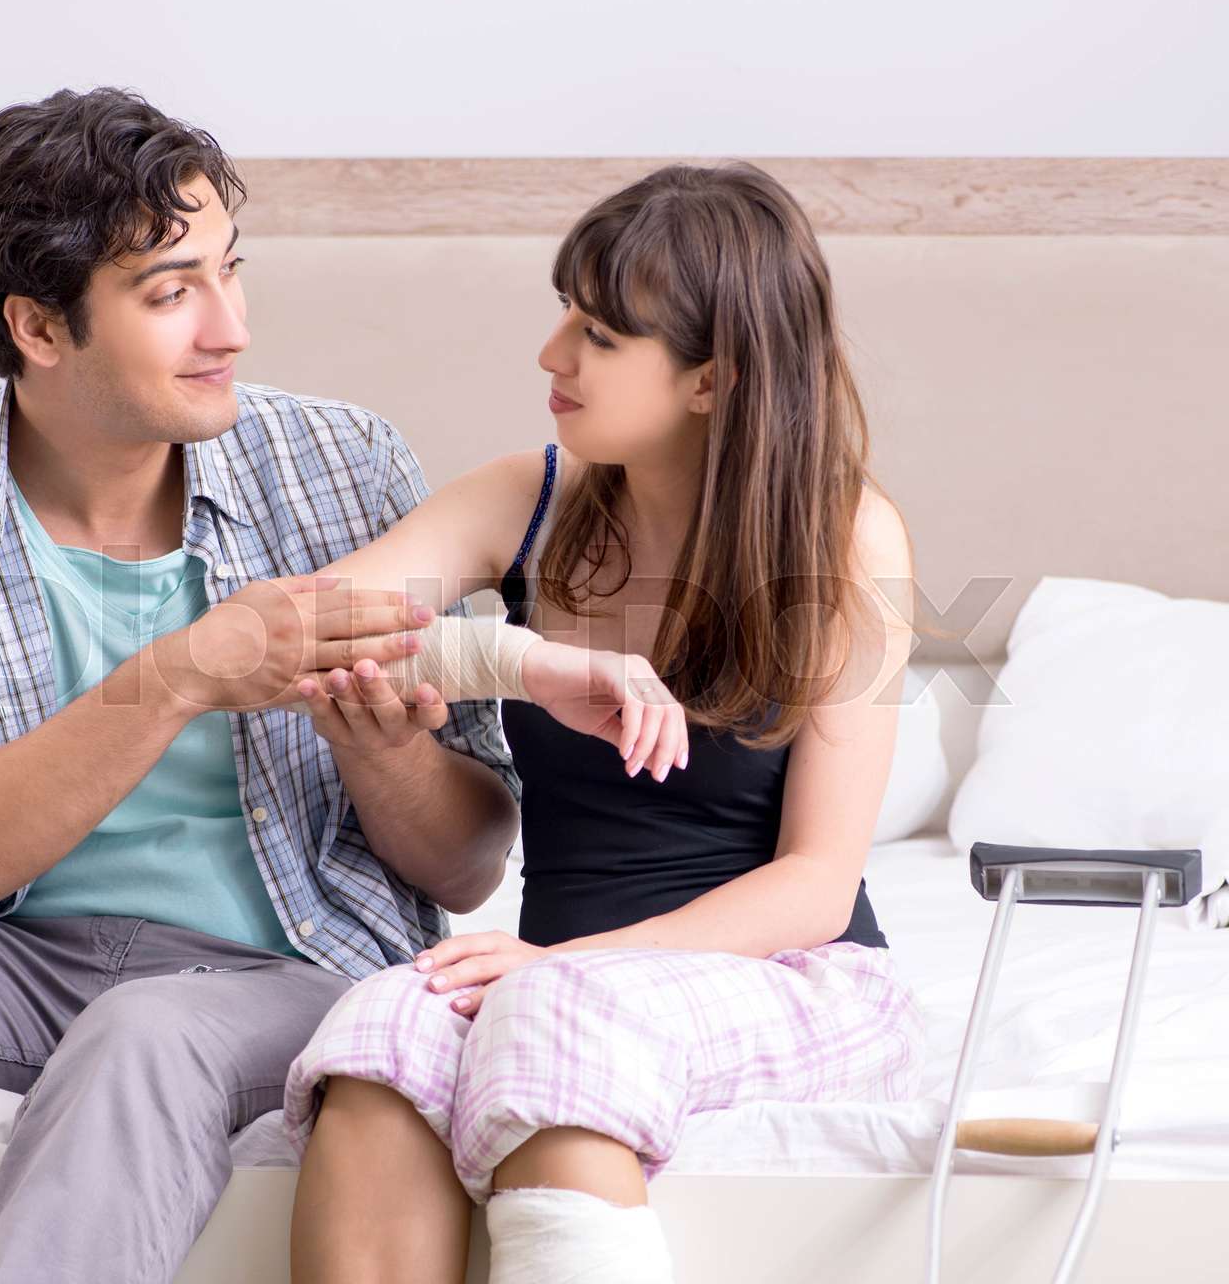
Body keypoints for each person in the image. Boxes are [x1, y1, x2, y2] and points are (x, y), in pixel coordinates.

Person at [0, 86, 535, 1283]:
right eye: (171, 293)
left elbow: (469, 865)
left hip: (287, 977)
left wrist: (380, 750)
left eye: (231, 271)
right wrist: (174, 676)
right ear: (39, 327)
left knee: (145, 1027)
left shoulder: (343, 462)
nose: (229, 328)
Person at [282, 162, 930, 1284]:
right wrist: (524, 659)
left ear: (712, 380)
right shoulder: (527, 500)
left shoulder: (845, 535)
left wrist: (553, 963)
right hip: (557, 978)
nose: (551, 354)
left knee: (553, 1019)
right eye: (563, 313)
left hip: (796, 973)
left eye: (599, 333)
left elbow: (816, 882)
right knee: (382, 1028)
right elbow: (301, 632)